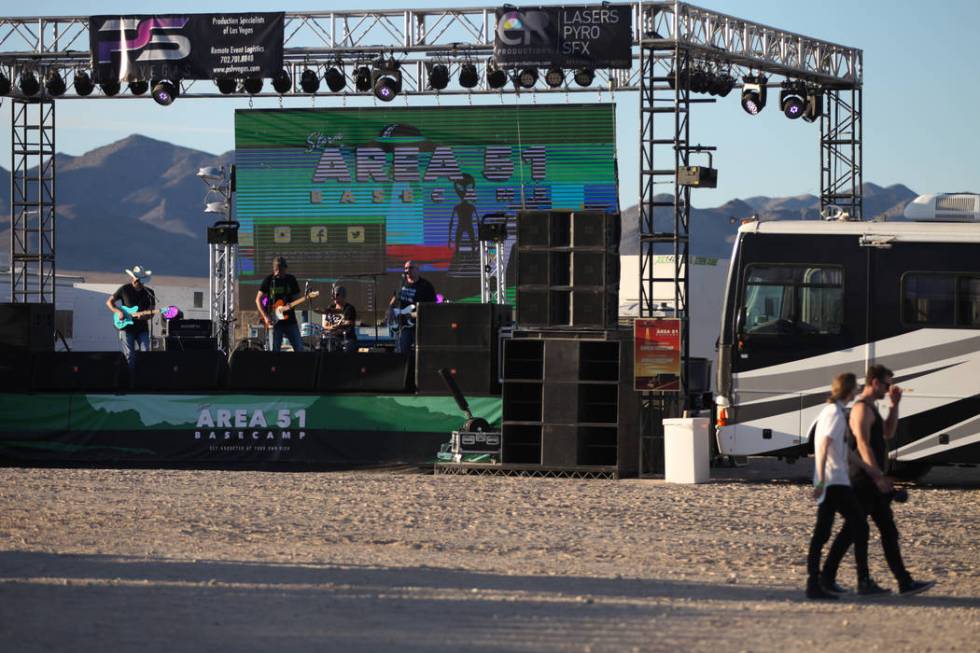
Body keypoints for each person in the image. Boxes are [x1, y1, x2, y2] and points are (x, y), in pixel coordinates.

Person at [820, 365, 936, 596]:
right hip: (863, 480)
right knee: (852, 532)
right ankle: (833, 578)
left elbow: (888, 433)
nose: (888, 388)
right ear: (874, 382)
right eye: (886, 384)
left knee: (885, 531)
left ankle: (903, 581)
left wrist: (894, 406)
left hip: (872, 480)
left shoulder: (873, 407)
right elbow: (862, 444)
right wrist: (877, 476)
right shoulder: (861, 409)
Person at [806, 372, 891, 600]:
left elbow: (844, 448)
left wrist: (868, 468)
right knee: (856, 527)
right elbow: (824, 445)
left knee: (824, 532)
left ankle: (818, 582)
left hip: (834, 480)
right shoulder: (834, 413)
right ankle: (852, 581)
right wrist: (822, 480)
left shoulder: (830, 411)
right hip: (834, 481)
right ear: (849, 389)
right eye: (855, 388)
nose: (856, 392)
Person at [106, 265, 156, 372]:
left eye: (140, 280)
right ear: (132, 278)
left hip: (142, 328)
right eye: (136, 279)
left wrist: (145, 316)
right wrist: (118, 311)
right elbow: (109, 302)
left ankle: (143, 377)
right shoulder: (124, 289)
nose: (137, 281)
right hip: (126, 327)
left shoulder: (149, 293)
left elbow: (152, 312)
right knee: (129, 354)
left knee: (146, 351)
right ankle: (130, 380)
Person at [256, 256, 304, 353]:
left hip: (290, 320)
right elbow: (258, 299)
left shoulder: (291, 279)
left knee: (299, 348)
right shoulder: (269, 280)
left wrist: (292, 305)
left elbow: (297, 297)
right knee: (275, 350)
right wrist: (265, 316)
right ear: (276, 269)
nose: (283, 271)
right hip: (275, 322)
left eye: (284, 269)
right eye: (280, 269)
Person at [389, 259, 436, 355]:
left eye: (410, 268)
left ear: (417, 270)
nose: (407, 270)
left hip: (418, 326)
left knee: (420, 354)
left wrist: (414, 314)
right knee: (402, 352)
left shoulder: (425, 286)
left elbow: (431, 307)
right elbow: (394, 298)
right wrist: (390, 309)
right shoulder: (401, 283)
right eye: (405, 268)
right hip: (403, 326)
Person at [322, 285, 358, 353]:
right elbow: (325, 325)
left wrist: (337, 327)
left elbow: (349, 324)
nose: (334, 297)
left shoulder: (349, 308)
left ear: (343, 295)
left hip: (347, 338)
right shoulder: (331, 307)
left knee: (348, 346)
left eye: (337, 295)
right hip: (333, 338)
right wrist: (332, 327)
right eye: (333, 295)